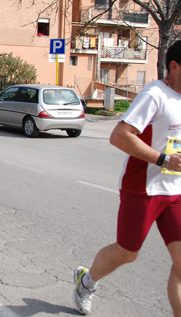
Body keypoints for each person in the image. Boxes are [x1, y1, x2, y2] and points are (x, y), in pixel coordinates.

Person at [73, 40, 181, 315]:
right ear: (174, 66)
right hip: (142, 188)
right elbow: (119, 136)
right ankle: (86, 282)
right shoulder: (155, 94)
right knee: (128, 252)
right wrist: (164, 159)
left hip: (175, 191)